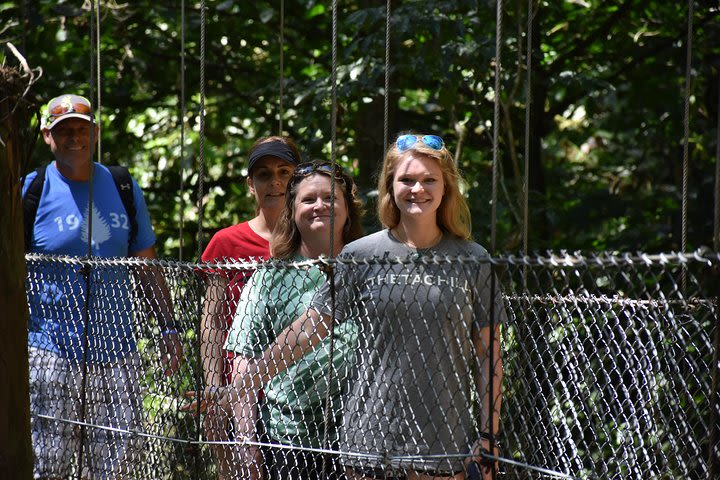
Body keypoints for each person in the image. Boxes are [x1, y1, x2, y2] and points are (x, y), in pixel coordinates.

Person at [199, 133, 506, 480]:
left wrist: (488, 435)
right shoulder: (361, 256)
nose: (417, 189)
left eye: (428, 180)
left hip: (444, 445)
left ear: (446, 187)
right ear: (390, 186)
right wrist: (236, 390)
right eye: (406, 179)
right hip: (367, 448)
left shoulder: (473, 260)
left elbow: (488, 355)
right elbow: (306, 331)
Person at [23, 93, 183, 480]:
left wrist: (169, 329)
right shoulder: (31, 189)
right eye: (64, 131)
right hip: (50, 352)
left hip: (117, 351)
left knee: (118, 464)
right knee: (50, 462)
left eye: (81, 128)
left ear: (94, 132)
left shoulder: (121, 185)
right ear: (48, 136)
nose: (74, 138)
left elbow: (146, 265)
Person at [222, 161, 364, 480]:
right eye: (308, 200)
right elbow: (243, 361)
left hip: (361, 441)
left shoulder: (370, 272)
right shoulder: (269, 278)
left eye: (330, 198)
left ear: (348, 208)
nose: (320, 206)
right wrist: (246, 442)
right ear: (293, 209)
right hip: (287, 443)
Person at [199, 136, 301, 479]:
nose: (275, 182)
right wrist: (214, 387)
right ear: (250, 184)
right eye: (264, 174)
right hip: (234, 387)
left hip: (296, 393)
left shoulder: (314, 240)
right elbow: (211, 321)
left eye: (285, 172)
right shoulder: (226, 242)